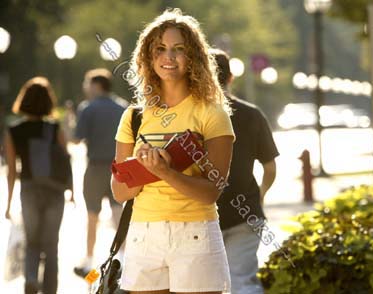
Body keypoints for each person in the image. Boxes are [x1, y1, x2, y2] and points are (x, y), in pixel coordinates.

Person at [111, 8, 234, 294]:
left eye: (179, 49)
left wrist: (165, 171)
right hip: (144, 235)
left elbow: (212, 190)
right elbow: (119, 192)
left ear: (193, 57)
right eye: (160, 49)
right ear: (147, 56)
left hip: (195, 233)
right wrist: (145, 171)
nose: (169, 57)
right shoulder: (134, 116)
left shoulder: (212, 114)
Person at [211, 49, 279, 294]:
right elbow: (270, 167)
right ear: (231, 78)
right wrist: (260, 194)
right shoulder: (252, 114)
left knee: (204, 285)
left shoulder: (193, 117)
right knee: (242, 281)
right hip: (246, 212)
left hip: (203, 214)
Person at [4, 77, 69, 294]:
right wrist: (73, 191)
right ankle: (50, 289)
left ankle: (31, 280)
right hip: (54, 191)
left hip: (29, 190)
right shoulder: (54, 127)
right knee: (51, 246)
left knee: (32, 242)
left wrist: (9, 203)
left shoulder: (14, 130)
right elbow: (65, 159)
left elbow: (12, 170)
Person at [73, 68, 128, 276]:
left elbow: (77, 138)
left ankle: (89, 262)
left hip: (95, 166)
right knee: (117, 213)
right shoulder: (123, 107)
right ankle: (123, 259)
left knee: (92, 214)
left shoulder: (88, 108)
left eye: (88, 84)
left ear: (96, 85)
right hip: (118, 167)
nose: (86, 88)